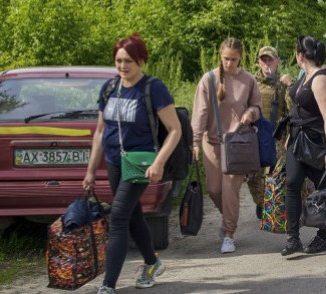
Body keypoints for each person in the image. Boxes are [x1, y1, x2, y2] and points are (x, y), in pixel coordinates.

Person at [83, 33, 182, 294]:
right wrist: (91, 170)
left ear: (141, 60)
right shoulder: (109, 88)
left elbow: (175, 130)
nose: (122, 66)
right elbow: (100, 131)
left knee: (117, 217)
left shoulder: (153, 88)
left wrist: (159, 162)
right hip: (114, 161)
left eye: (128, 61)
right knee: (132, 213)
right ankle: (152, 262)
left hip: (141, 163)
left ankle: (108, 286)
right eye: (118, 61)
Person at [191, 37, 262, 254]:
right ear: (220, 56)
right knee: (213, 189)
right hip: (212, 143)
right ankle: (228, 219)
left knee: (230, 189)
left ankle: (229, 234)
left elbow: (257, 107)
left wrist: (251, 113)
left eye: (234, 59)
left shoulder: (248, 80)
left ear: (240, 58)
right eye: (226, 59)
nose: (229, 63)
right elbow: (200, 112)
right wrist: (195, 141)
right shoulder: (209, 79)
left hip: (238, 142)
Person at [281, 36, 326, 256]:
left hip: (317, 143)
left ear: (299, 55)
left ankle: (322, 237)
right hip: (298, 140)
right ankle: (292, 238)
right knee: (292, 184)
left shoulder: (321, 79)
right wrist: (290, 134)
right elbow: (298, 107)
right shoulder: (305, 75)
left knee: (322, 190)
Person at [248, 46, 292, 219]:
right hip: (256, 136)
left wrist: (290, 86)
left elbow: (293, 109)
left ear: (277, 61)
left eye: (270, 60)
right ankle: (262, 203)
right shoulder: (252, 84)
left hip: (278, 137)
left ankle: (273, 205)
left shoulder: (283, 84)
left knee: (276, 174)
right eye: (263, 60)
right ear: (259, 62)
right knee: (253, 175)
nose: (267, 64)